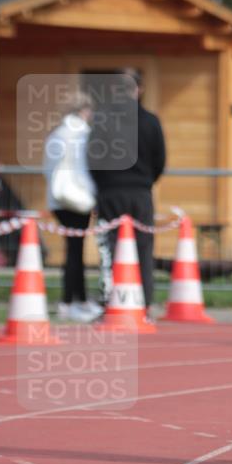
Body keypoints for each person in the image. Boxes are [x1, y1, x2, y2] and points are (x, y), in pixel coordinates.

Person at [88, 69, 166, 315]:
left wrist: (103, 183)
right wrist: (145, 181)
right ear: (138, 90)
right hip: (140, 192)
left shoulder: (102, 119)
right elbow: (159, 159)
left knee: (108, 249)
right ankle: (144, 302)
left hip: (109, 191)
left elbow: (92, 157)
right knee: (143, 247)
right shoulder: (151, 121)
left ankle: (109, 301)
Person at [43, 92, 101, 323]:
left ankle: (74, 300)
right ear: (83, 111)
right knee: (76, 251)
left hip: (58, 200)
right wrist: (93, 195)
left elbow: (49, 168)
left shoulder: (56, 134)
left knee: (72, 250)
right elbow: (84, 169)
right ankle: (74, 301)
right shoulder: (83, 134)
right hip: (78, 199)